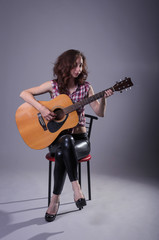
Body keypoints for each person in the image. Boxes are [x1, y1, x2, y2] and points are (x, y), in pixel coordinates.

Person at [20, 49, 113, 222]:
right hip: (56, 140)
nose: (78, 69)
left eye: (80, 65)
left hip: (81, 142)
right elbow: (24, 93)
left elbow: (100, 113)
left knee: (65, 148)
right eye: (74, 65)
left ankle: (54, 201)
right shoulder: (53, 85)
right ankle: (77, 189)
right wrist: (42, 108)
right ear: (65, 66)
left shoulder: (86, 87)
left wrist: (105, 98)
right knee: (64, 142)